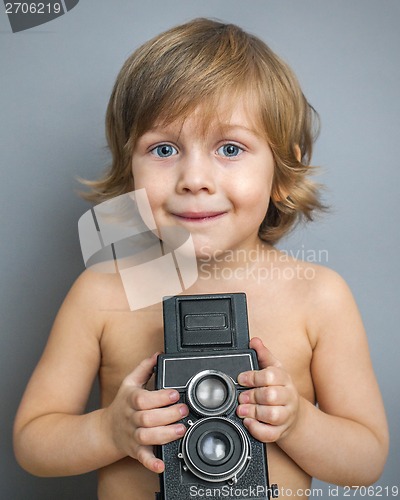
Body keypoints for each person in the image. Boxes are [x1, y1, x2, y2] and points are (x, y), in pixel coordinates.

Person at [13, 18, 388, 499]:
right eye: (164, 148)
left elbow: (367, 459)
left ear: (282, 173)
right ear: (129, 169)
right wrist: (108, 431)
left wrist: (298, 422)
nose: (194, 178)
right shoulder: (103, 291)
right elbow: (32, 441)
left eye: (230, 148)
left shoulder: (317, 295)